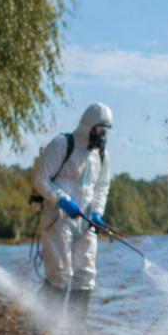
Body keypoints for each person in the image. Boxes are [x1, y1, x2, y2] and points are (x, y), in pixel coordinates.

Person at [33, 103, 113, 320]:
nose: (102, 136)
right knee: (59, 274)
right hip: (57, 218)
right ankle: (41, 325)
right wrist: (62, 200)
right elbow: (41, 180)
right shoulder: (62, 145)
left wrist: (97, 212)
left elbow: (102, 187)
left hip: (86, 222)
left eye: (105, 131)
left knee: (86, 275)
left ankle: (77, 333)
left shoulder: (101, 156)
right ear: (88, 126)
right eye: (99, 130)